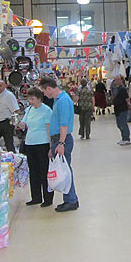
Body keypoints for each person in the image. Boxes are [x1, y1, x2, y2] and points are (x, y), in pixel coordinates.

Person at [39, 75, 79, 212]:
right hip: (57, 140)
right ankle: (69, 199)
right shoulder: (58, 100)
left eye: (44, 92)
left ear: (49, 88)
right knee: (63, 170)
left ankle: (71, 200)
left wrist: (61, 143)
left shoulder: (62, 101)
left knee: (65, 171)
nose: (44, 94)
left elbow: (63, 125)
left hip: (62, 139)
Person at [16, 87, 54, 207]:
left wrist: (50, 146)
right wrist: (17, 121)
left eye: (32, 99)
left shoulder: (46, 111)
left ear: (39, 98)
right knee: (33, 171)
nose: (31, 101)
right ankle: (36, 197)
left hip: (42, 144)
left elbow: (49, 130)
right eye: (29, 99)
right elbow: (24, 124)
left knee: (44, 171)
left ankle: (47, 198)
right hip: (30, 143)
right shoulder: (29, 109)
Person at [112, 75, 131, 146]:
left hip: (122, 109)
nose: (116, 81)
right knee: (119, 124)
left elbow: (127, 98)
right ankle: (123, 138)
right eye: (115, 80)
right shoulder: (116, 88)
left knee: (123, 124)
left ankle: (126, 138)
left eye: (117, 80)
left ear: (121, 80)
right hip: (118, 109)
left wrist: (129, 104)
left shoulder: (122, 89)